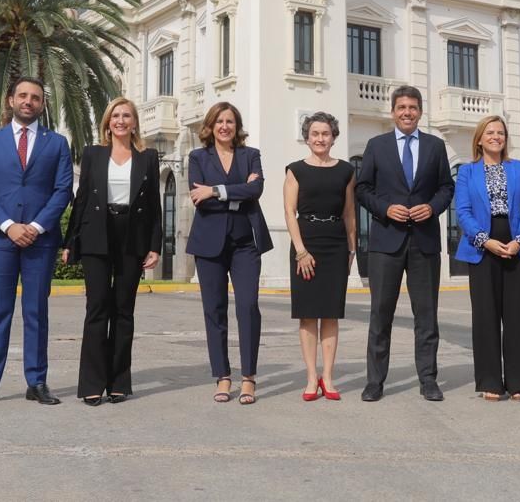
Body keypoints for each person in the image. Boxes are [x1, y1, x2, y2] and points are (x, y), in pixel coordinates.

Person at [0, 76, 73, 407]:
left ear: (43, 104)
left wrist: (37, 227)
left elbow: (62, 190)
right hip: (0, 240)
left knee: (36, 311)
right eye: (22, 95)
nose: (29, 101)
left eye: (36, 97)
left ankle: (36, 381)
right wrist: (10, 226)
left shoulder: (57, 144)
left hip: (41, 241)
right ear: (11, 100)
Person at [356, 85, 454, 402]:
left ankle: (428, 379)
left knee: (426, 317)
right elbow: (363, 189)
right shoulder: (376, 145)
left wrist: (433, 207)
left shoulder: (435, 146)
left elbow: (446, 188)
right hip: (386, 242)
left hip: (424, 243)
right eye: (401, 107)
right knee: (380, 316)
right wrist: (385, 208)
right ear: (393, 111)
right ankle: (375, 382)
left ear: (420, 111)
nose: (407, 112)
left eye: (412, 107)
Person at [63, 97, 162, 406]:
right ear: (108, 122)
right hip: (96, 233)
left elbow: (155, 207)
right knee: (97, 308)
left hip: (132, 236)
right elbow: (80, 200)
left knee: (123, 310)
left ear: (134, 122)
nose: (120, 120)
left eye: (126, 116)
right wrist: (70, 242)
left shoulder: (148, 157)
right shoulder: (93, 154)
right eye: (115, 116)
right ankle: (92, 383)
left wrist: (155, 246)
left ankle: (119, 382)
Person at [187, 102, 273, 405]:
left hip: (245, 243)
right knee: (215, 310)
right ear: (211, 126)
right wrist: (236, 190)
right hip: (208, 243)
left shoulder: (251, 155)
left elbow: (256, 191)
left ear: (237, 127)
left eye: (230, 122)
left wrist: (215, 190)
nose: (225, 126)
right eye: (220, 121)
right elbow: (199, 199)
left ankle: (248, 377)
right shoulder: (197, 157)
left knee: (248, 306)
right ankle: (222, 375)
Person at [454, 115, 520, 401]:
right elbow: (462, 211)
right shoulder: (466, 171)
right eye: (489, 132)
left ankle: (517, 384)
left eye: (500, 132)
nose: (495, 137)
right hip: (481, 248)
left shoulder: (519, 169)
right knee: (486, 316)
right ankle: (490, 381)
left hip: (515, 244)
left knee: (517, 317)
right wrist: (485, 240)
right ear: (479, 138)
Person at [283, 112, 356, 401]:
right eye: (315, 133)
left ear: (333, 137)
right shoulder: (295, 170)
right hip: (306, 244)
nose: (320, 139)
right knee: (307, 314)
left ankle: (328, 377)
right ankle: (311, 378)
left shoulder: (346, 171)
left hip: (336, 244)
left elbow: (350, 212)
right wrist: (300, 251)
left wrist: (351, 249)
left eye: (325, 134)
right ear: (307, 137)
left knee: (331, 313)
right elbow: (289, 212)